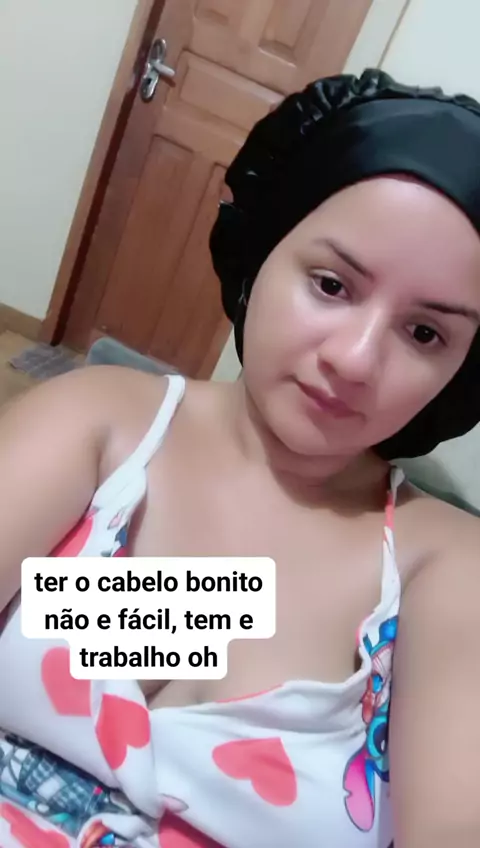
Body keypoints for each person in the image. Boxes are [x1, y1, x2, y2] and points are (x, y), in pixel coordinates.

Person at [0, 68, 480, 848]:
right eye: (332, 285)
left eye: (426, 333)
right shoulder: (102, 425)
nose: (356, 359)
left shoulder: (447, 566)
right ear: (262, 251)